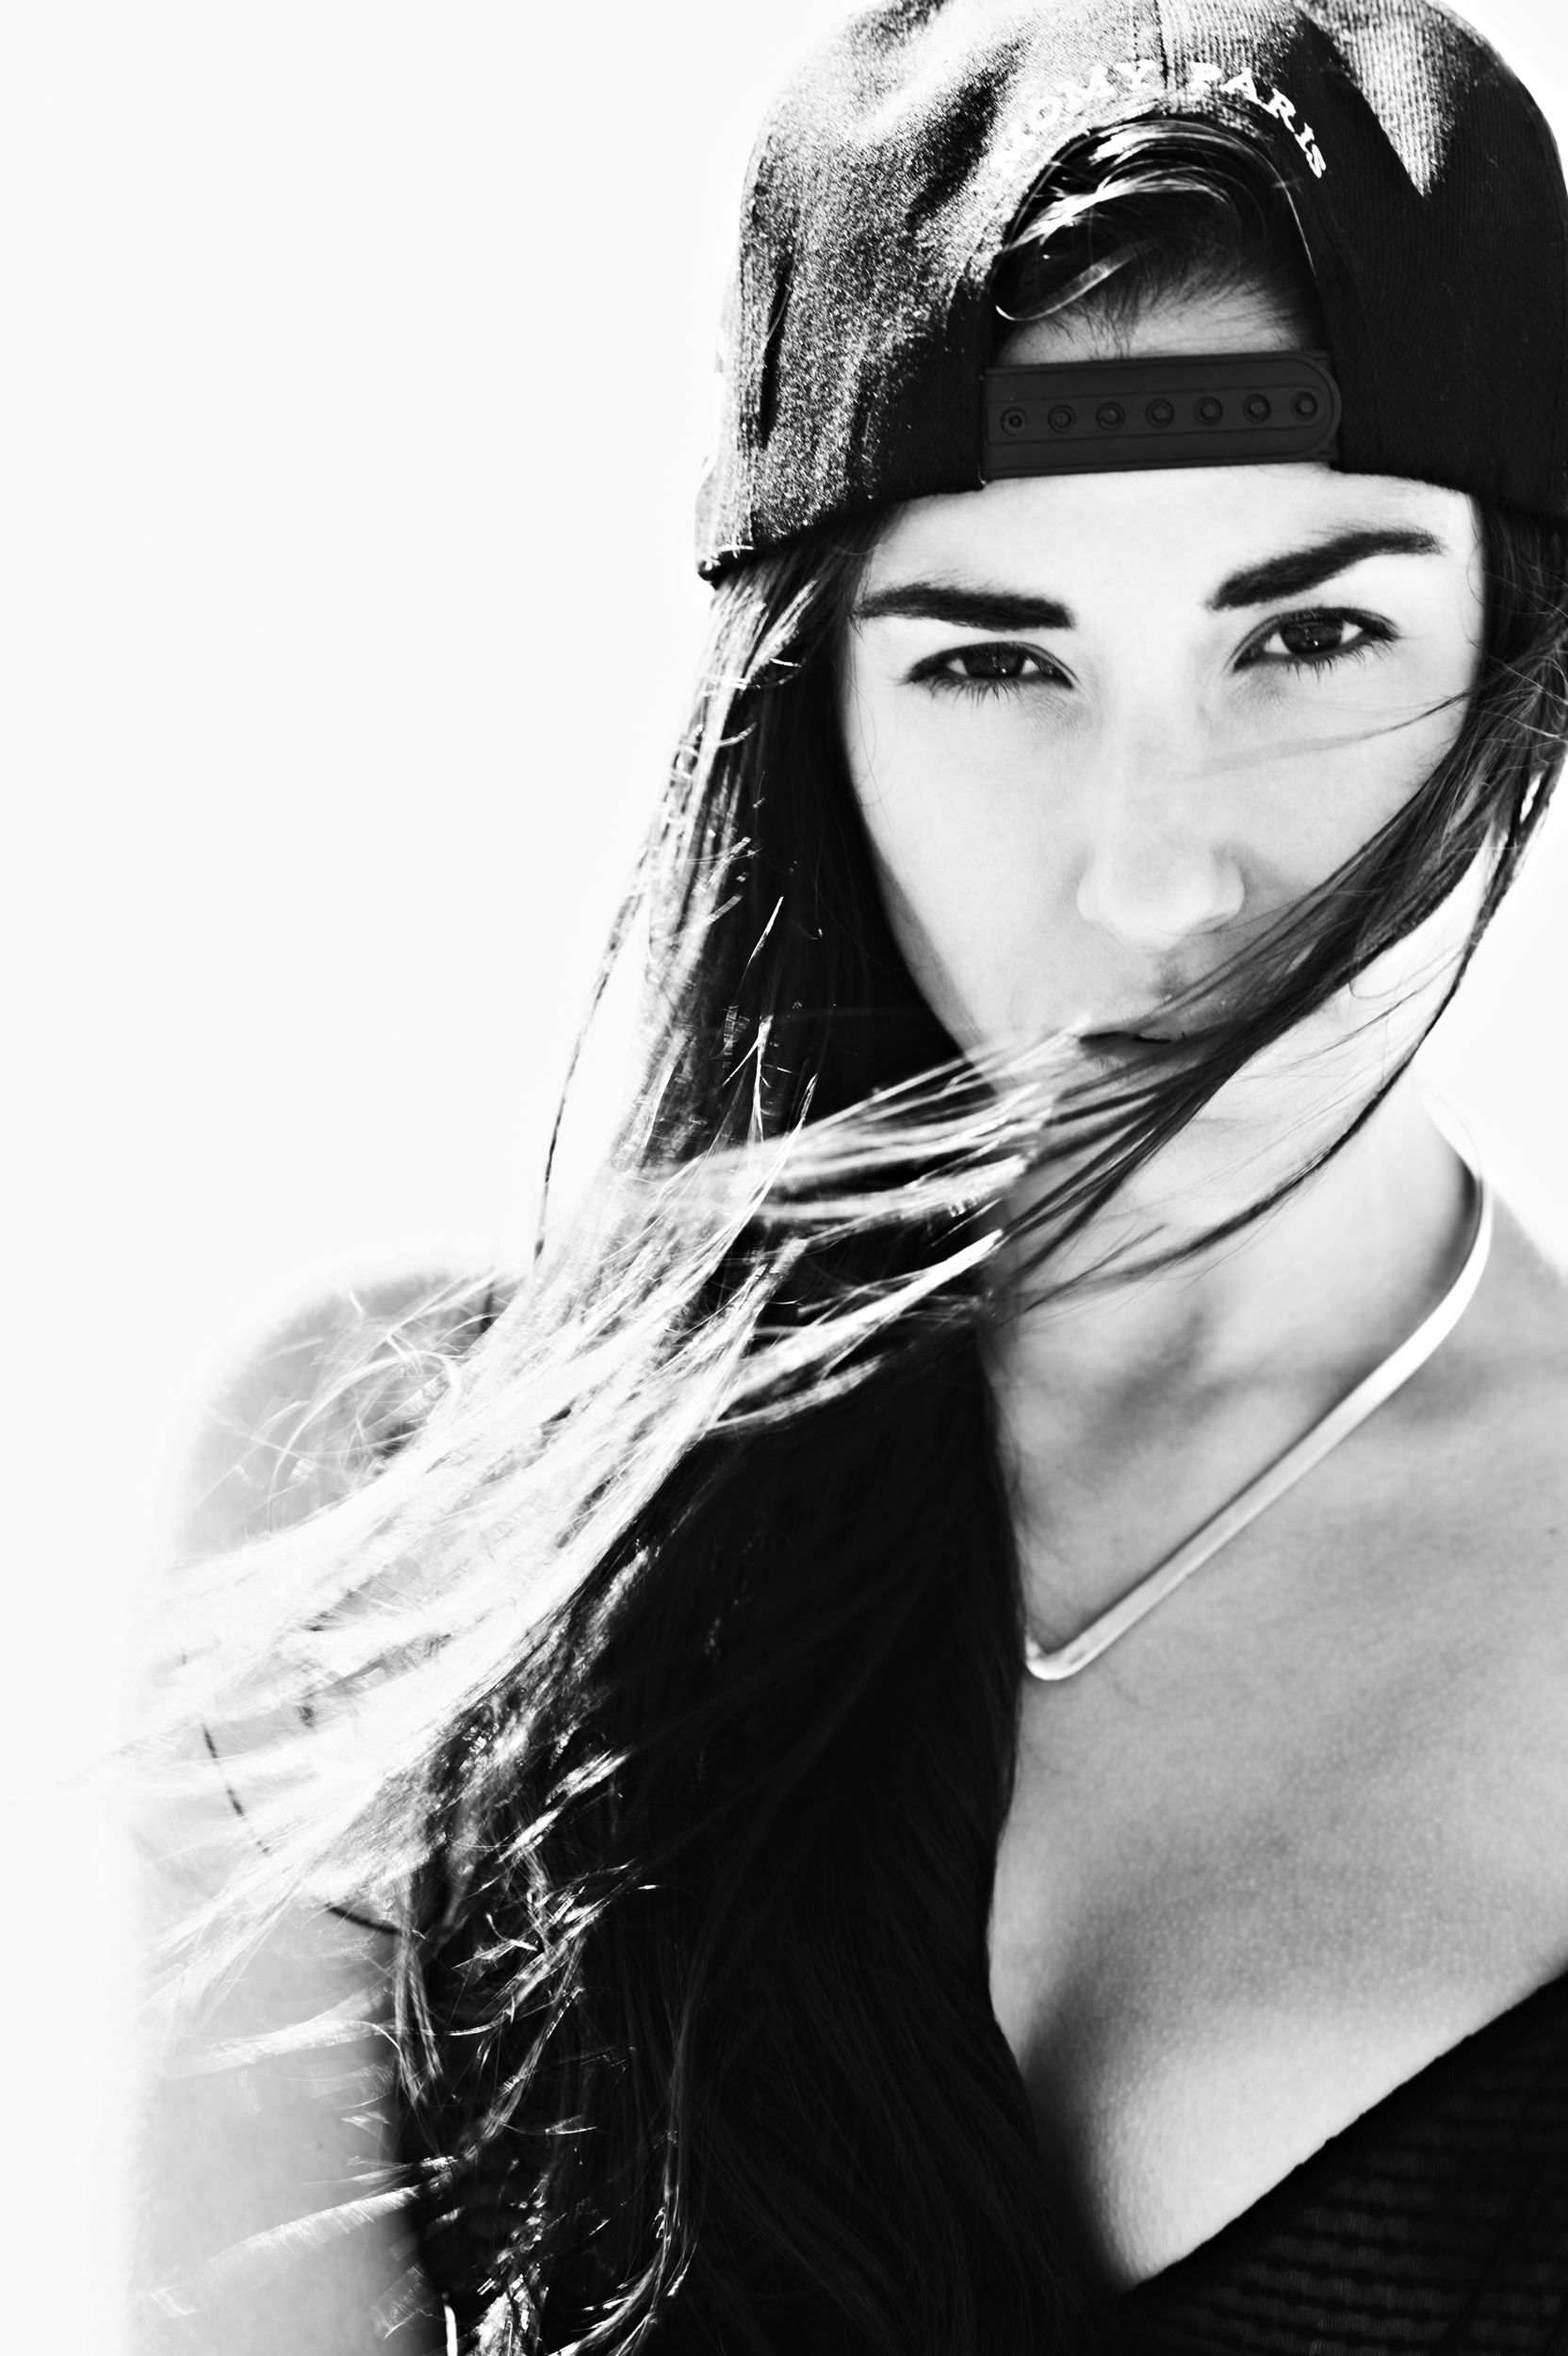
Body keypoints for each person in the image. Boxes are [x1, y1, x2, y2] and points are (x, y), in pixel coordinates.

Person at [133, 0, 1568, 2349]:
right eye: (993, 662)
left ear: (1521, 650)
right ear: (811, 710)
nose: (1157, 868)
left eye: (1312, 633)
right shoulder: (394, 1508)